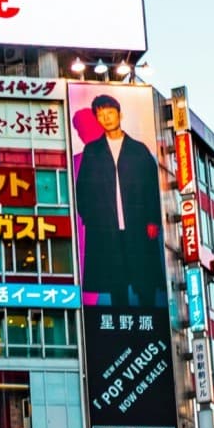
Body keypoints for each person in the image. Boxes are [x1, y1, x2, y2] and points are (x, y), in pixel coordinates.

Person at [73, 93, 162, 308]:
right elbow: (82, 189)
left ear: (119, 114)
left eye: (110, 113)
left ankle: (148, 320)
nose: (107, 118)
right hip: (105, 227)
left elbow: (151, 187)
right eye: (101, 115)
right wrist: (90, 218)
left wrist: (153, 219)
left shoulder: (138, 150)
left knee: (144, 280)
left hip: (138, 224)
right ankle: (120, 323)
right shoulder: (92, 151)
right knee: (115, 282)